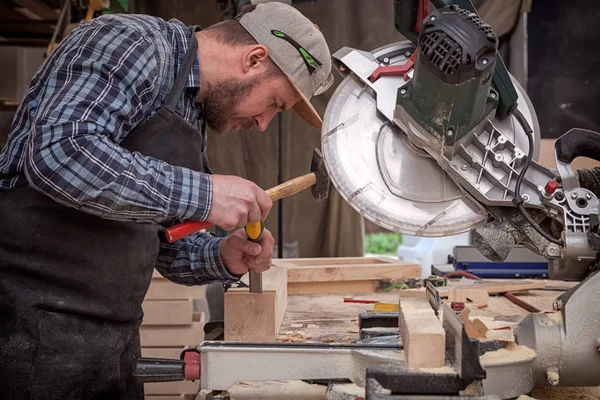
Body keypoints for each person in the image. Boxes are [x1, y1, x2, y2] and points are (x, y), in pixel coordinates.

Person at [0, 2, 332, 399]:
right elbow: (61, 153)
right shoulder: (130, 43)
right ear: (255, 59)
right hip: (25, 326)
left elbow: (161, 242)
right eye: (275, 104)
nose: (263, 124)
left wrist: (224, 255)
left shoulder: (190, 110)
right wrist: (206, 195)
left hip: (111, 337)